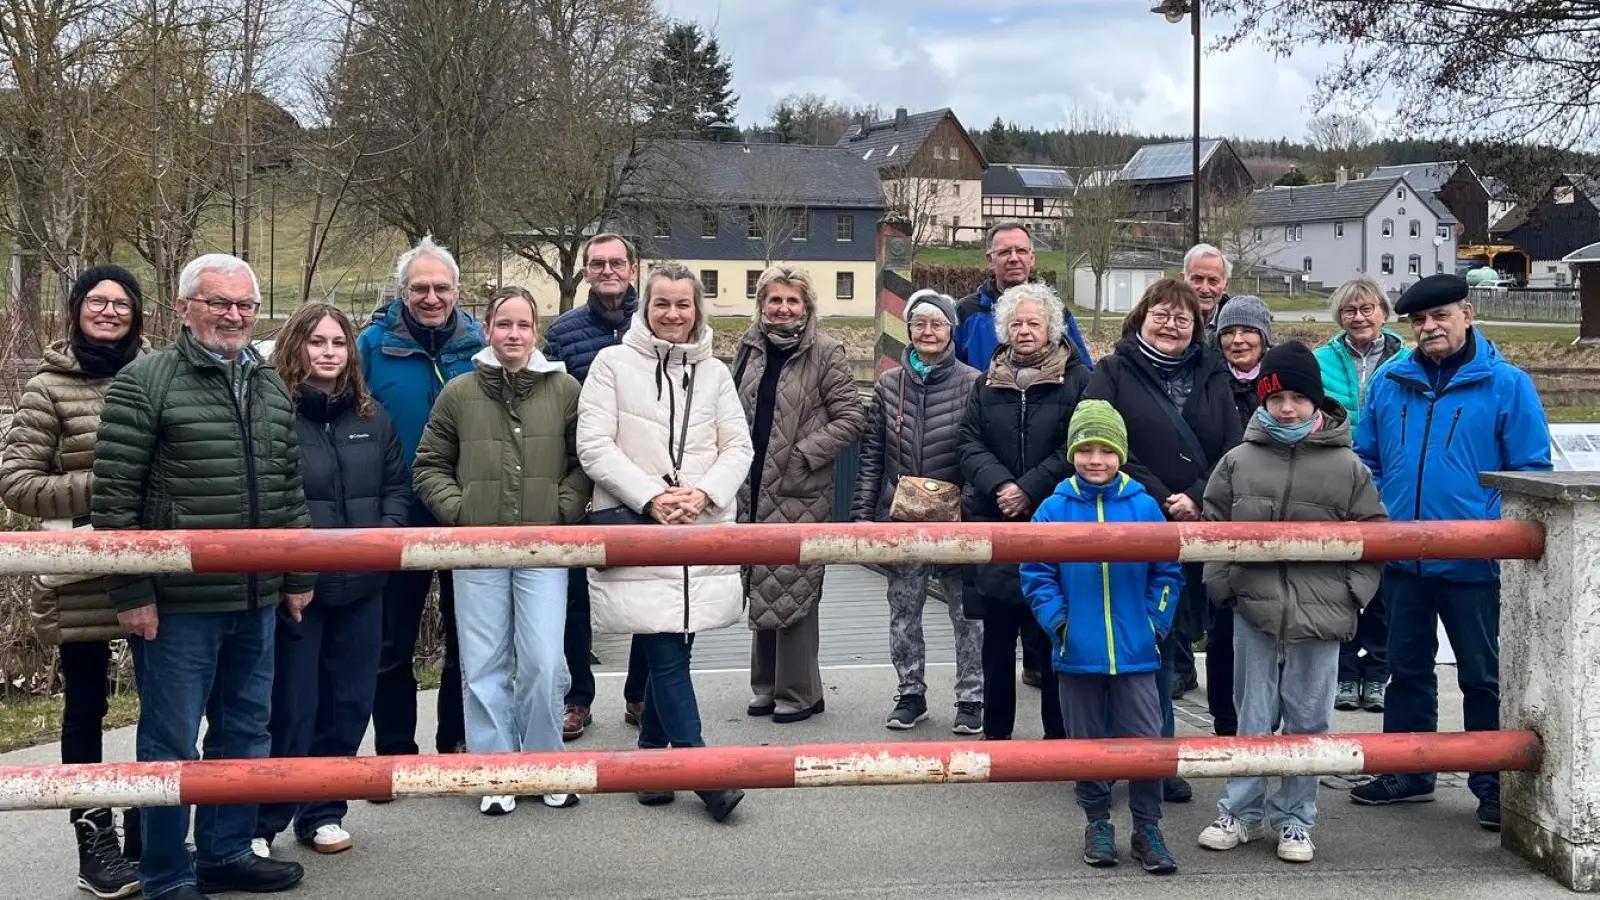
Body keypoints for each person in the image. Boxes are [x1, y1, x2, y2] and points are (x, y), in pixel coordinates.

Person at [92, 254, 312, 900]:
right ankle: (166, 872)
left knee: (247, 730)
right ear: (186, 308)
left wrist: (297, 572)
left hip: (257, 596)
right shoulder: (146, 383)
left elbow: (288, 489)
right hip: (179, 603)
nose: (234, 316)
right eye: (219, 303)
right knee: (171, 741)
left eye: (245, 305)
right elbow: (114, 502)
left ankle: (226, 851)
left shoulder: (268, 384)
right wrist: (131, 592)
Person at [1350, 274, 1551, 832]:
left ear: (1466, 312)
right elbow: (1366, 458)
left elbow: (1530, 473)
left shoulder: (1508, 384)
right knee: (1406, 668)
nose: (1429, 328)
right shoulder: (1391, 383)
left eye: (1439, 316)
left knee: (1483, 675)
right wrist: (1383, 514)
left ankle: (1491, 781)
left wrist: (1485, 530)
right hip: (1403, 561)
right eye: (1418, 320)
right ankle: (1409, 770)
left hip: (1475, 562)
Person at [1197, 341, 1388, 864]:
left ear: (1316, 402)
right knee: (1250, 714)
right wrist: (1224, 583)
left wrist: (1354, 594)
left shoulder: (1348, 466)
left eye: (1298, 398)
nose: (1287, 408)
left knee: (1309, 718)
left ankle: (1297, 819)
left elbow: (1374, 535)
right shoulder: (1238, 460)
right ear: (1263, 398)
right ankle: (1240, 810)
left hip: (1322, 613)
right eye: (1277, 396)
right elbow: (1213, 524)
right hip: (1252, 608)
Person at [576, 263, 753, 822]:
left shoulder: (716, 374)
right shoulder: (612, 365)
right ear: (643, 307)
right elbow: (595, 445)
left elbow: (738, 448)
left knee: (678, 640)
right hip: (639, 524)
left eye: (683, 304)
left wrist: (703, 495)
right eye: (662, 304)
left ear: (697, 309)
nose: (673, 314)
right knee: (665, 647)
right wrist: (653, 498)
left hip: (699, 528)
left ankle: (653, 760)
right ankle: (702, 772)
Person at [413, 286, 591, 817]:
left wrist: (563, 507)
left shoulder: (565, 390)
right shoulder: (460, 393)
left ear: (536, 331)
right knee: (484, 662)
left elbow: (585, 462)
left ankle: (545, 762)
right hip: (479, 551)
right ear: (488, 329)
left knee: (541, 658)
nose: (513, 334)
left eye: (523, 325)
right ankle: (497, 769)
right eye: (503, 324)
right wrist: (463, 513)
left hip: (543, 548)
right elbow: (428, 464)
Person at [0, 265, 148, 899]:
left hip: (152, 566)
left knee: (164, 707)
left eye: (122, 304)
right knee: (86, 706)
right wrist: (104, 487)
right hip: (82, 570)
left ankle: (153, 831)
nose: (111, 312)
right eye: (99, 301)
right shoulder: (47, 388)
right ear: (76, 309)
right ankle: (96, 841)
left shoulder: (154, 375)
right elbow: (16, 482)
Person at [252, 303, 409, 857]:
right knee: (290, 707)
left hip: (362, 587)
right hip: (299, 590)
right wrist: (296, 567)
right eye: (317, 342)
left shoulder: (374, 416)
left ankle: (323, 810)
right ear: (295, 346)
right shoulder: (272, 415)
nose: (328, 352)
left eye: (338, 343)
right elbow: (270, 497)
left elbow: (396, 490)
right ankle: (263, 821)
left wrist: (378, 549)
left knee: (348, 703)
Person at [1081, 277, 1243, 804]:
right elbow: (1097, 440)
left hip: (1197, 521)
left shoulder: (1213, 372)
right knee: (1121, 643)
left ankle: (1159, 756)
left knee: (1169, 644)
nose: (1172, 325)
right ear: (1141, 316)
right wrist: (1160, 495)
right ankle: (1104, 760)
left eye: (1183, 317)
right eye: (1161, 314)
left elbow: (1232, 445)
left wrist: (1196, 494)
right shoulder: (1112, 371)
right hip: (1131, 519)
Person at [1022, 399, 1182, 876]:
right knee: (1086, 740)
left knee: (1147, 742)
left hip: (1137, 651)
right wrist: (1060, 624)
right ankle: (1096, 820)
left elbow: (1167, 570)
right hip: (1079, 651)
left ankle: (1148, 827)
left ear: (1121, 453)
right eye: (1086, 449)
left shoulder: (1144, 505)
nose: (1096, 459)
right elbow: (1036, 572)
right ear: (1072, 453)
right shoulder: (1053, 508)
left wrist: (1155, 624)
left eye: (1106, 450)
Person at [357, 235, 485, 760]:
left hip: (466, 512)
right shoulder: (370, 346)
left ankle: (455, 740)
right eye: (419, 288)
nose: (431, 298)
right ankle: (394, 750)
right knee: (391, 644)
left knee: (467, 641)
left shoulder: (480, 347)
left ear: (457, 291)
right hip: (396, 513)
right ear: (402, 292)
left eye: (441, 287)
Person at [733, 265, 866, 724]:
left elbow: (851, 418)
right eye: (774, 300)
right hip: (752, 487)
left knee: (794, 586)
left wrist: (803, 455)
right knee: (761, 584)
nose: (783, 309)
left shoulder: (826, 352)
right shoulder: (749, 349)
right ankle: (765, 685)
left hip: (799, 488)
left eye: (792, 301)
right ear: (762, 305)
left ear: (806, 307)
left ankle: (800, 691)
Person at [960, 282, 1091, 743]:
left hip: (1052, 523)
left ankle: (1059, 740)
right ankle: (996, 740)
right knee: (996, 641)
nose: (1024, 331)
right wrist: (1000, 485)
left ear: (1051, 327)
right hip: (997, 524)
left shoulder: (1076, 380)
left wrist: (1029, 488)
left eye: (1033, 323)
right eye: (1015, 323)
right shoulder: (986, 381)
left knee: (1052, 638)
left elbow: (1077, 446)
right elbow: (969, 442)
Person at [852, 289, 984, 733]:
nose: (928, 331)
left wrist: (970, 506)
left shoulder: (973, 382)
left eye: (938, 323)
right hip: (901, 514)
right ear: (909, 328)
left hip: (956, 516)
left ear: (951, 329)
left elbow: (977, 450)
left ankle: (971, 697)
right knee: (903, 609)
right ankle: (911, 692)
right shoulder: (890, 385)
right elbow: (872, 454)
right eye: (920, 323)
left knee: (967, 614)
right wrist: (862, 517)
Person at [543, 232, 649, 740]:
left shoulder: (655, 324)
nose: (608, 271)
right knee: (575, 595)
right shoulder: (562, 335)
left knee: (650, 589)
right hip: (582, 479)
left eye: (617, 263)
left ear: (633, 269)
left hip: (648, 479)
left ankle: (641, 693)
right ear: (586, 272)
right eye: (597, 264)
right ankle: (576, 698)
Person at [1315, 277, 1407, 712]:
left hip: (1389, 486)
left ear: (1383, 313)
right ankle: (1345, 675)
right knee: (1341, 586)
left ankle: (1379, 674)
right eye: (1350, 310)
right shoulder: (1321, 361)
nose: (1359, 317)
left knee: (1384, 588)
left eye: (1367, 308)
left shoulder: (1408, 360)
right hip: (1336, 483)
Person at [1203, 293, 1274, 738]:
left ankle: (1265, 723)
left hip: (1270, 518)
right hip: (1220, 513)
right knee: (1222, 622)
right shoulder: (1208, 383)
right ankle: (1226, 723)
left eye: (1247, 330)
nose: (1237, 339)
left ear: (1264, 337)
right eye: (1228, 331)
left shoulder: (1283, 385)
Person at [954, 221, 1094, 372]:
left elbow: (1082, 371)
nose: (1014, 258)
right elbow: (951, 375)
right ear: (990, 260)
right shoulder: (966, 312)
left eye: (1021, 251)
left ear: (1031, 258)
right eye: (1005, 252)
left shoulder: (1054, 310)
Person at [1184, 244, 1232, 336]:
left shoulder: (1237, 326)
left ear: (1225, 286)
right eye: (1197, 279)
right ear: (1183, 280)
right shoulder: (1168, 322)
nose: (1204, 289)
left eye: (1213, 280)